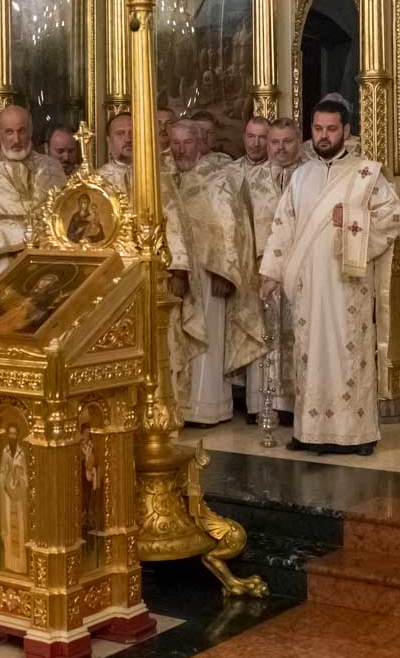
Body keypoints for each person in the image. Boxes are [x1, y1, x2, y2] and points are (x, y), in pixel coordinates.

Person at [258, 99, 400, 455]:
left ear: (346, 132)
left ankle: (358, 435)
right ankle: (307, 432)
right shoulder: (301, 175)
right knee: (308, 353)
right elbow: (283, 226)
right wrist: (271, 273)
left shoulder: (367, 174)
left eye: (331, 129)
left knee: (348, 353)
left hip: (347, 284)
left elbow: (394, 218)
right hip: (308, 286)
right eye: (318, 129)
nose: (324, 136)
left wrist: (355, 218)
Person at [96, 112, 202, 412]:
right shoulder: (98, 181)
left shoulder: (157, 177)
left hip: (156, 279)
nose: (128, 138)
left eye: (133, 131)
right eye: (120, 133)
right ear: (108, 141)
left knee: (163, 346)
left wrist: (179, 270)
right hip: (114, 284)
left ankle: (164, 412)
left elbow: (176, 224)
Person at [168, 120, 264, 426]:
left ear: (200, 144)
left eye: (187, 143)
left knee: (207, 338)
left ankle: (206, 408)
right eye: (176, 143)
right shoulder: (168, 178)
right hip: (178, 271)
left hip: (211, 273)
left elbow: (233, 227)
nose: (181, 150)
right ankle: (182, 407)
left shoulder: (217, 179)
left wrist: (227, 272)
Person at [239, 118, 300, 423]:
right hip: (260, 271)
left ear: (298, 142)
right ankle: (263, 405)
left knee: (295, 336)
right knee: (264, 338)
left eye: (287, 141)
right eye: (274, 141)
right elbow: (241, 228)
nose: (279, 148)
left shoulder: (308, 176)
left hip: (298, 272)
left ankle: (293, 404)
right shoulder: (250, 180)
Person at [0, 104, 64, 289]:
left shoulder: (52, 168)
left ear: (30, 132)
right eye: (9, 132)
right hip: (0, 262)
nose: (16, 139)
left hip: (47, 257)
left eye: (21, 131)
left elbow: (62, 217)